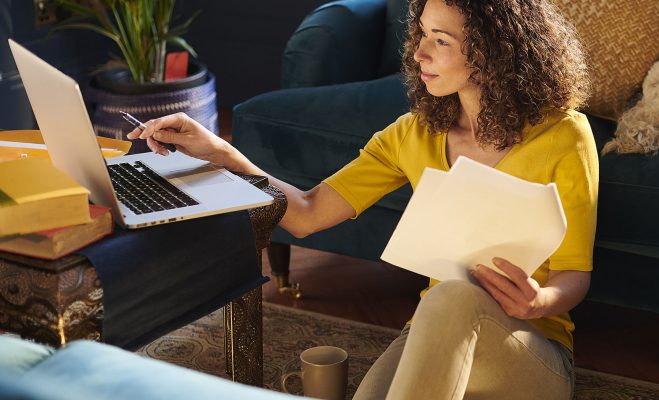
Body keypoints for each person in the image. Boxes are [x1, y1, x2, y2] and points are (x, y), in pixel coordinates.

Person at [127, 0, 597, 398]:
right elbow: (308, 215)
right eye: (421, 34)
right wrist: (219, 152)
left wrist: (538, 302)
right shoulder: (412, 134)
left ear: (493, 53)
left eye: (441, 40)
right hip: (432, 330)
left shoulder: (564, 135)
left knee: (456, 294)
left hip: (532, 349)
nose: (418, 53)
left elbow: (574, 274)